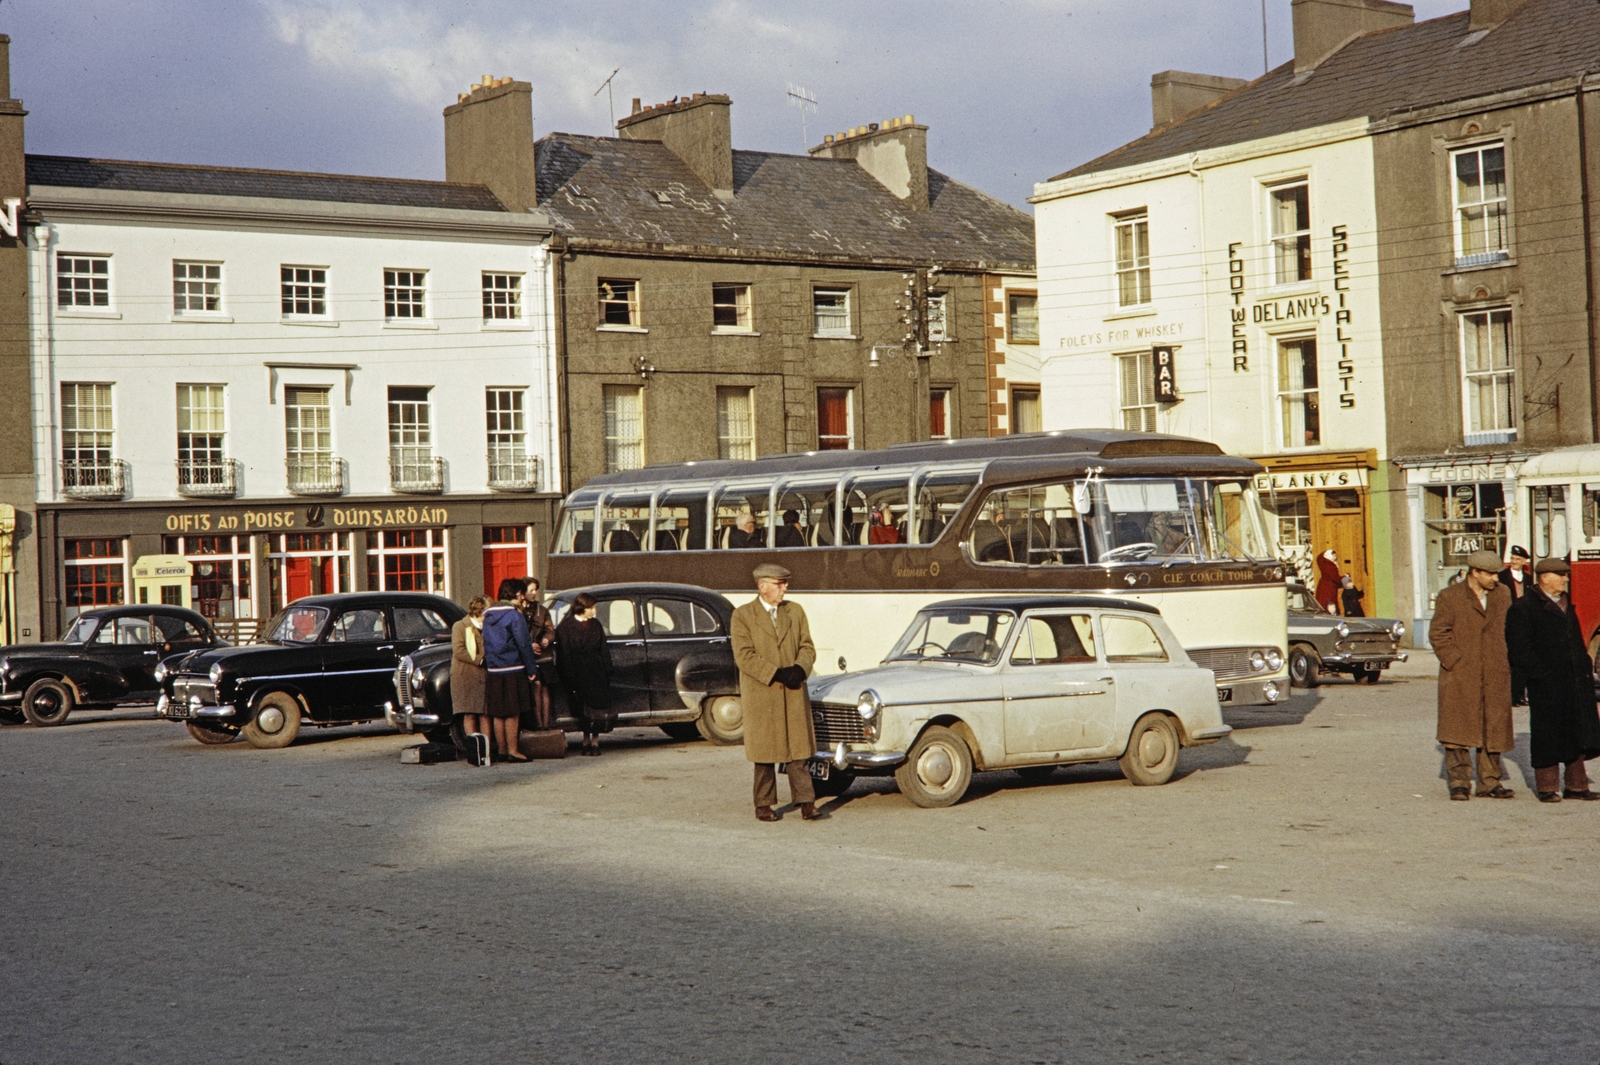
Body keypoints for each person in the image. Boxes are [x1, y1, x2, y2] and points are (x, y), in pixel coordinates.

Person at [730, 562, 820, 822]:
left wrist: (800, 669)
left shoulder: (796, 611)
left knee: (798, 750)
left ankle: (806, 801)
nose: (785, 589)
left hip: (792, 690)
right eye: (779, 585)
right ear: (763, 587)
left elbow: (807, 647)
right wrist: (776, 673)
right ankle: (763, 804)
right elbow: (744, 656)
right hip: (763, 693)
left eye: (784, 584)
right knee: (765, 754)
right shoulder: (743, 615)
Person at [1505, 557, 1600, 802]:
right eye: (1561, 575)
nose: (1566, 579)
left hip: (1575, 680)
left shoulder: (1568, 605)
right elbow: (1519, 650)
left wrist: (1584, 666)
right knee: (1547, 734)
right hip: (1546, 683)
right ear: (1544, 577)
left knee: (1576, 731)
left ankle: (1577, 786)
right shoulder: (1524, 607)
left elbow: (1577, 642)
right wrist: (1540, 674)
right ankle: (1547, 787)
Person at [1428, 550, 1515, 801]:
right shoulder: (1450, 596)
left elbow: (1510, 629)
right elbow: (1438, 634)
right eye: (1488, 574)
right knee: (1457, 730)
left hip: (1495, 671)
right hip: (1460, 674)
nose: (1494, 579)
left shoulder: (1502, 594)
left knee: (1494, 726)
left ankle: (1490, 782)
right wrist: (1455, 660)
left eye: (1496, 573)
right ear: (1474, 572)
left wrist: (1507, 659)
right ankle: (1459, 782)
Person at [481, 578, 539, 763]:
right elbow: (523, 643)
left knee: (499, 712)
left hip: (493, 668)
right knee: (514, 711)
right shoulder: (514, 615)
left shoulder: (487, 615)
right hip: (513, 666)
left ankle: (503, 749)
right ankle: (514, 750)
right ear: (518, 594)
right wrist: (531, 667)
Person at [556, 592, 614, 756]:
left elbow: (603, 648)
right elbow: (564, 652)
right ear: (583, 608)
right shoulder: (566, 626)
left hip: (596, 672)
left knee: (596, 709)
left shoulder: (595, 625)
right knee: (583, 710)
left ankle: (595, 741)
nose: (594, 611)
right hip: (577, 673)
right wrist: (568, 674)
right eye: (591, 608)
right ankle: (585, 739)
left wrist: (608, 670)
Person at [450, 596, 490, 745]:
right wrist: (480, 659)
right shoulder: (460, 626)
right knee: (470, 713)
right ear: (480, 610)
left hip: (484, 676)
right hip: (466, 676)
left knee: (485, 714)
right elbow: (459, 651)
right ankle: (474, 748)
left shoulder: (488, 626)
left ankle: (485, 749)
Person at [520, 576, 557, 729]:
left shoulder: (541, 610)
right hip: (527, 657)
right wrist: (529, 645)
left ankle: (546, 724)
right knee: (535, 686)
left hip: (543, 656)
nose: (535, 593)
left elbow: (550, 629)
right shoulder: (518, 611)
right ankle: (538, 724)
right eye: (531, 590)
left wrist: (547, 639)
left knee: (544, 688)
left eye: (536, 590)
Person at [1499, 546, 1532, 706]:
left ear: (1524, 561)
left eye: (1518, 559)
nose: (1514, 562)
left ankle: (1521, 695)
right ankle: (1512, 695)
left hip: (1524, 625)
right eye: (1512, 558)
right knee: (1513, 661)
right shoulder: (1502, 577)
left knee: (1524, 661)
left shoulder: (1528, 579)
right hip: (1509, 623)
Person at [1314, 549, 1340, 614]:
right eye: (1333, 555)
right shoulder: (1330, 565)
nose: (1335, 556)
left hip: (1325, 585)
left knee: (1324, 602)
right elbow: (1335, 578)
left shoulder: (1326, 563)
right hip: (1328, 587)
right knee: (1329, 603)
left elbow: (1319, 558)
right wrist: (1345, 578)